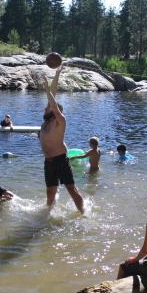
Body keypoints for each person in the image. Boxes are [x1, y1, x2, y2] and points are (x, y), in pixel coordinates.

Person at [40, 65, 85, 213]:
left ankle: (84, 213)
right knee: (50, 192)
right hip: (49, 162)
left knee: (71, 190)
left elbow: (52, 100)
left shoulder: (60, 121)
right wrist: (57, 73)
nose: (44, 109)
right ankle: (47, 215)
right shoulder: (46, 122)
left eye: (47, 108)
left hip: (60, 160)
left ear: (54, 111)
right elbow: (53, 93)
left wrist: (47, 89)